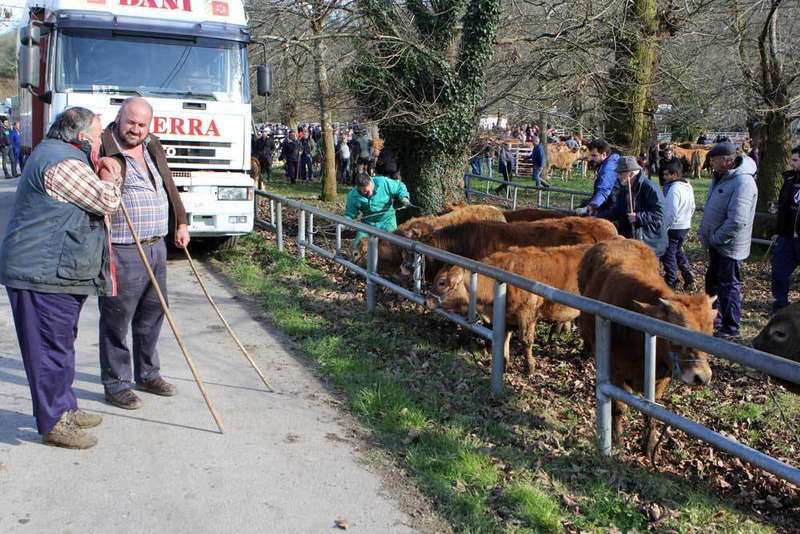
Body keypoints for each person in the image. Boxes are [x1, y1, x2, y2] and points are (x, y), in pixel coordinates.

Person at [0, 107, 123, 448]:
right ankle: (55, 422)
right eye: (97, 136)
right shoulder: (64, 162)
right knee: (48, 350)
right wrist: (110, 174)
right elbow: (106, 200)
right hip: (41, 272)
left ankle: (65, 406)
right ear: (81, 137)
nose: (100, 143)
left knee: (60, 344)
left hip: (54, 270)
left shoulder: (61, 154)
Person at [98, 97, 190, 409]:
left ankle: (148, 374)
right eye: (131, 122)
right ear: (119, 118)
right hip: (123, 248)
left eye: (142, 124)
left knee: (153, 312)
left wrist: (181, 221)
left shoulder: (152, 145)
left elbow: (168, 185)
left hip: (156, 246)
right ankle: (116, 384)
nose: (136, 129)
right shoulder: (102, 146)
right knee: (117, 319)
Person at [698, 142, 758, 339]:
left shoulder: (743, 182)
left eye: (713, 160)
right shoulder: (721, 178)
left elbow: (738, 220)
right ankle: (716, 318)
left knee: (728, 285)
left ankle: (731, 327)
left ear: (726, 160)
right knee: (713, 282)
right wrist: (704, 232)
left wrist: (717, 238)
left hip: (729, 246)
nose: (710, 164)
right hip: (716, 244)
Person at [597, 156, 667, 256]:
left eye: (621, 173)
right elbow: (617, 210)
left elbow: (660, 212)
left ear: (630, 174)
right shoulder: (624, 187)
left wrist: (638, 217)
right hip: (631, 240)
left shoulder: (649, 187)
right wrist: (597, 217)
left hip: (649, 241)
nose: (618, 176)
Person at [344, 172, 410, 254]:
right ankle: (355, 261)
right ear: (358, 188)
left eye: (369, 189)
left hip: (387, 221)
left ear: (371, 181)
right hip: (368, 224)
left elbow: (399, 186)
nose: (369, 192)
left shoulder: (383, 182)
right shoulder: (353, 195)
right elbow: (350, 214)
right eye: (365, 191)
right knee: (357, 248)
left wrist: (404, 197)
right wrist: (345, 222)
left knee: (393, 246)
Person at [770, 145, 800, 313]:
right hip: (787, 236)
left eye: (795, 160)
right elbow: (783, 208)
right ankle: (780, 306)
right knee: (779, 271)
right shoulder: (789, 180)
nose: (791, 163)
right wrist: (778, 231)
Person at [660, 159, 696, 289]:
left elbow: (671, 212)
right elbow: (692, 206)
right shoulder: (688, 186)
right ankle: (688, 275)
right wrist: (687, 219)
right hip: (684, 225)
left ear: (674, 174)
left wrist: (664, 227)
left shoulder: (674, 189)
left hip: (674, 227)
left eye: (667, 174)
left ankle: (672, 280)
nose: (664, 177)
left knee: (668, 254)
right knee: (677, 250)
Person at [579, 139, 620, 216]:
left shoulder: (608, 169)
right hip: (612, 202)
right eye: (590, 155)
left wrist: (592, 206)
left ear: (604, 154)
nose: (591, 158)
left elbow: (604, 190)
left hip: (611, 206)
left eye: (594, 155)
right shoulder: (612, 160)